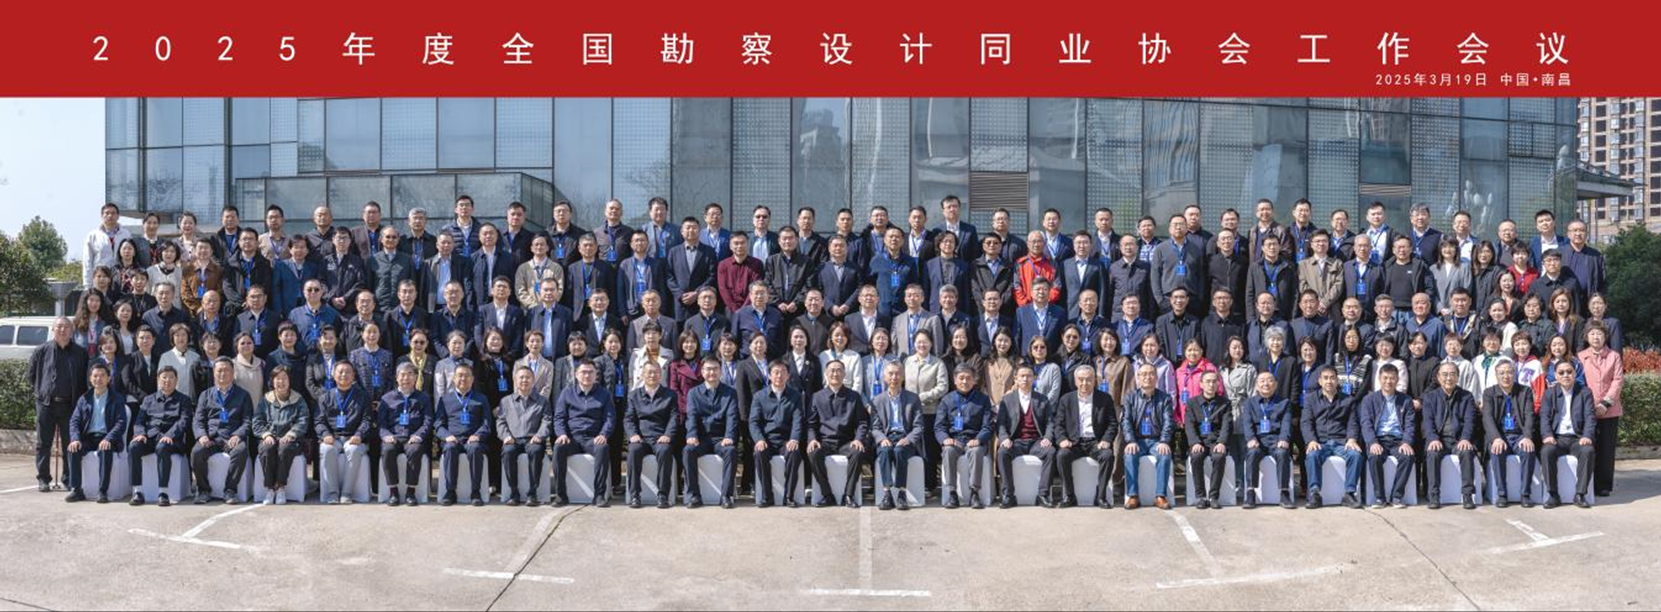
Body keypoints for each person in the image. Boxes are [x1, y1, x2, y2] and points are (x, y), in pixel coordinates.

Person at [29, 317, 89, 491]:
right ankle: (43, 479)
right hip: (46, 404)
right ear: (53, 329)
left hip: (70, 405)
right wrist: (41, 393)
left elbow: (84, 379)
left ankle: (68, 478)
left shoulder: (80, 353)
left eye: (66, 327)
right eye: (59, 327)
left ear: (72, 330)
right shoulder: (41, 350)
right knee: (43, 444)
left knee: (70, 443)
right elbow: (31, 376)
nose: (62, 330)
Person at [806, 360, 869, 508]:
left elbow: (862, 423)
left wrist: (858, 439)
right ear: (826, 374)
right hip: (825, 442)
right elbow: (811, 424)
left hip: (846, 442)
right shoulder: (817, 397)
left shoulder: (854, 396)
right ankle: (827, 494)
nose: (835, 373)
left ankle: (848, 495)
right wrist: (812, 439)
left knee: (858, 452)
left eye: (839, 370)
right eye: (832, 370)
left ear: (844, 374)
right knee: (813, 453)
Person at [1054, 365, 1118, 508]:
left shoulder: (1105, 398)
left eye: (1089, 379)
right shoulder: (1066, 399)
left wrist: (1106, 439)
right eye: (1081, 379)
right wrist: (1062, 439)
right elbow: (1058, 424)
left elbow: (1112, 423)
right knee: (1062, 455)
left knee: (1107, 456)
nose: (1084, 383)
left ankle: (1100, 497)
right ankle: (1069, 496)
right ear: (1075, 381)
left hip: (1096, 442)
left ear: (1095, 380)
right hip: (1074, 443)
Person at [192, 358, 253, 505]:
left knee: (241, 450)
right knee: (196, 452)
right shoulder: (205, 395)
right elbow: (198, 420)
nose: (223, 373)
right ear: (214, 373)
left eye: (226, 370)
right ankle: (204, 490)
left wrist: (238, 435)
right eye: (219, 370)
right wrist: (202, 435)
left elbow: (248, 421)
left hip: (232, 436)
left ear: (233, 373)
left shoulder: (243, 395)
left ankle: (230, 490)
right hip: (211, 438)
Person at [127, 366, 191, 506]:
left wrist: (170, 435)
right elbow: (139, 421)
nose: (167, 381)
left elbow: (183, 422)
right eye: (164, 377)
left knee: (162, 447)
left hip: (172, 441)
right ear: (158, 380)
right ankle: (137, 491)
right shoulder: (148, 400)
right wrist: (140, 434)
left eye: (171, 377)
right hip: (150, 438)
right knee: (134, 447)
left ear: (176, 380)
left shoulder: (184, 400)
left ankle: (163, 493)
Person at [995, 364, 1057, 509]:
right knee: (1002, 452)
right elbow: (1001, 424)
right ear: (1015, 378)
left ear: (1034, 378)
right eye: (1022, 376)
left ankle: (1043, 494)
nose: (1025, 379)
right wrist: (1004, 438)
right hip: (1015, 442)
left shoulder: (1043, 399)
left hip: (1036, 442)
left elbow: (1050, 422)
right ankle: (1009, 495)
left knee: (1051, 452)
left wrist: (1047, 437)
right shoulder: (1007, 400)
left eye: (1029, 376)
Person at [1301, 366, 1363, 509]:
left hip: (1341, 442)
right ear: (1320, 381)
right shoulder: (1311, 399)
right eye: (1326, 378)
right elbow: (1306, 422)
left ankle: (1349, 494)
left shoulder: (1348, 400)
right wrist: (1311, 440)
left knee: (1356, 455)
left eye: (1332, 378)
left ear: (1337, 380)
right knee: (1312, 455)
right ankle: (1315, 494)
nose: (1329, 381)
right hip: (1320, 442)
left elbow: (1353, 422)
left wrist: (1352, 439)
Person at [64, 363, 128, 503]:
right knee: (73, 449)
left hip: (107, 438)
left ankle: (102, 491)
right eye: (95, 376)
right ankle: (76, 489)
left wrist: (108, 438)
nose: (98, 379)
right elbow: (74, 421)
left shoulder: (117, 399)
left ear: (109, 378)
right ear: (90, 379)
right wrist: (75, 439)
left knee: (105, 449)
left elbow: (121, 423)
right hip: (88, 438)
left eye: (102, 375)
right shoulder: (84, 398)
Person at [1540, 360, 1597, 509]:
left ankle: (1580, 494)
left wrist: (1587, 435)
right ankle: (1553, 495)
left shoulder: (1585, 392)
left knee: (1588, 451)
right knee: (1546, 451)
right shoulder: (1549, 393)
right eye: (1561, 372)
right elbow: (1544, 417)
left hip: (1577, 438)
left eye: (1569, 372)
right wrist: (1547, 435)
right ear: (1555, 375)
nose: (1565, 375)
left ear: (1575, 373)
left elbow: (1590, 417)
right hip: (1557, 438)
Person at [684, 357, 740, 509]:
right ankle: (694, 495)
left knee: (731, 451)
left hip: (721, 439)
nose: (712, 372)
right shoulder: (694, 393)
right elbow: (691, 417)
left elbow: (732, 417)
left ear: (720, 371)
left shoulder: (730, 393)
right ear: (702, 372)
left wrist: (729, 436)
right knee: (688, 451)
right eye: (708, 369)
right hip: (701, 439)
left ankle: (726, 495)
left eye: (715, 369)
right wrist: (692, 435)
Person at [748, 361, 805, 509]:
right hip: (767, 440)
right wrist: (759, 439)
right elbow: (753, 422)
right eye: (776, 372)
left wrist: (794, 438)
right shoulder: (759, 396)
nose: (779, 376)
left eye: (783, 372)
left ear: (788, 375)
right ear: (769, 375)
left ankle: (789, 496)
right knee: (759, 453)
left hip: (786, 440)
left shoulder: (796, 396)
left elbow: (798, 420)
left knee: (794, 453)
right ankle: (767, 496)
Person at [937, 364, 994, 509]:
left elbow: (988, 426)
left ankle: (974, 493)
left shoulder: (983, 399)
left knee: (976, 451)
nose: (965, 381)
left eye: (968, 378)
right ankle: (952, 493)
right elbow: (939, 426)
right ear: (954, 380)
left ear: (974, 380)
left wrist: (979, 439)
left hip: (975, 440)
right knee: (948, 450)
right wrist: (945, 439)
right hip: (955, 441)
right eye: (961, 378)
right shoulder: (946, 400)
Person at [1359, 364, 1416, 508]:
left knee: (1408, 456)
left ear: (1397, 380)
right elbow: (1366, 423)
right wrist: (1372, 442)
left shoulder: (1406, 400)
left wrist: (1406, 442)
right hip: (1379, 439)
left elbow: (1410, 424)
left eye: (1392, 378)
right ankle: (1380, 497)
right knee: (1374, 456)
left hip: (1398, 440)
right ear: (1379, 379)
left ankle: (1397, 496)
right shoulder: (1369, 399)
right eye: (1385, 378)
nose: (1388, 381)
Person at [626, 360, 681, 509]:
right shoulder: (634, 395)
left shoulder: (670, 395)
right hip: (641, 438)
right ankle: (635, 495)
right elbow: (629, 419)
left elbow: (674, 418)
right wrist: (633, 435)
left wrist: (668, 435)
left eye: (656, 372)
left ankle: (663, 495)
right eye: (649, 372)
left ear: (661, 375)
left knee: (665, 450)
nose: (652, 375)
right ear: (642, 375)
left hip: (660, 437)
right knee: (633, 450)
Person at [1484, 360, 1538, 508]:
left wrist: (1527, 436)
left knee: (1528, 451)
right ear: (1496, 375)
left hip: (1519, 435)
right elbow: (1487, 417)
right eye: (1502, 373)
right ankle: (1502, 494)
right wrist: (1496, 438)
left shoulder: (1525, 391)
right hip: (1500, 435)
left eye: (1509, 372)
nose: (1506, 376)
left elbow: (1529, 415)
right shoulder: (1489, 393)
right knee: (1497, 451)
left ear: (1515, 374)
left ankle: (1525, 494)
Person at [435, 364, 492, 507]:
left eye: (467, 375)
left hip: (473, 439)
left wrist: (478, 435)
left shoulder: (481, 399)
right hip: (453, 439)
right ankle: (450, 491)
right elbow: (438, 424)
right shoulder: (445, 399)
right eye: (460, 375)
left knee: (475, 448)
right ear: (454, 379)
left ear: (472, 379)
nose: (463, 378)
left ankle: (475, 492)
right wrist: (447, 436)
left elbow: (487, 423)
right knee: (449, 448)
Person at [1578, 321, 1623, 498]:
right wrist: (1588, 405)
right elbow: (1579, 382)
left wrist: (1605, 403)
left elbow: (1617, 381)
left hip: (1609, 410)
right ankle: (1587, 483)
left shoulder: (1614, 356)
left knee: (1606, 449)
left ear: (1605, 337)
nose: (1596, 337)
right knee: (1588, 447)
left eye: (1599, 334)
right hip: (1587, 410)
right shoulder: (1580, 357)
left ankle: (1604, 485)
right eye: (1592, 334)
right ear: (1586, 337)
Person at [252, 366, 310, 505]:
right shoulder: (266, 399)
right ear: (272, 381)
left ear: (290, 381)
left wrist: (291, 434)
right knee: (266, 449)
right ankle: (270, 488)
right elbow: (257, 420)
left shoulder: (298, 399)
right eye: (278, 378)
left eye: (285, 378)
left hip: (291, 440)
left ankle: (280, 487)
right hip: (270, 437)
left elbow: (303, 420)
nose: (281, 382)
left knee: (284, 448)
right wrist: (266, 435)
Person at [1122, 363, 1175, 510]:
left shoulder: (1165, 398)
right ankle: (1133, 496)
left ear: (1156, 377)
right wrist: (1130, 440)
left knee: (1164, 455)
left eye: (1151, 374)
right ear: (1138, 377)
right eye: (1143, 374)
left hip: (1156, 440)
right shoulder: (1130, 397)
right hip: (1137, 440)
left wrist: (1164, 441)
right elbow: (1125, 421)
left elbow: (1169, 422)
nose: (1147, 377)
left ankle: (1160, 496)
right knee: (1129, 455)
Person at [870, 361, 923, 511]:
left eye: (898, 373)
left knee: (900, 451)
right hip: (887, 437)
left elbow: (919, 426)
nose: (894, 377)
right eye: (891, 374)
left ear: (903, 376)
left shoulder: (913, 398)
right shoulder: (877, 400)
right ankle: (887, 494)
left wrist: (908, 439)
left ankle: (901, 493)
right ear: (885, 377)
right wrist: (882, 439)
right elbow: (875, 427)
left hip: (905, 437)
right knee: (884, 451)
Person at [378, 364, 432, 507]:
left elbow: (428, 421)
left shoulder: (424, 398)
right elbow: (381, 423)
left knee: (416, 450)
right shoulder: (387, 398)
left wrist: (419, 435)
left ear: (415, 377)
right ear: (397, 378)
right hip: (393, 437)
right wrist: (386, 435)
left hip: (413, 437)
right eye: (402, 374)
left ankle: (411, 492)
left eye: (410, 374)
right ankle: (393, 492)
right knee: (387, 449)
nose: (406, 378)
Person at [1238, 371, 1293, 509]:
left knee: (1282, 453)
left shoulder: (1284, 402)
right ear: (1257, 385)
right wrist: (1251, 438)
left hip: (1276, 439)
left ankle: (1284, 493)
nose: (1266, 384)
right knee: (1252, 453)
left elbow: (1286, 423)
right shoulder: (1249, 403)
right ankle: (1250, 493)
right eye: (1262, 381)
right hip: (1258, 439)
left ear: (1276, 384)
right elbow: (1247, 424)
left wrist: (1283, 438)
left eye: (1269, 380)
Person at [1184, 370, 1232, 509]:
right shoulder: (1192, 403)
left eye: (1214, 381)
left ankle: (1213, 496)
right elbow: (1189, 425)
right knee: (1196, 457)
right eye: (1208, 381)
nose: (1211, 384)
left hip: (1216, 440)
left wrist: (1221, 442)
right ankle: (1200, 496)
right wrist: (1195, 442)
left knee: (1219, 457)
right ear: (1201, 384)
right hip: (1200, 441)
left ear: (1218, 384)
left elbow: (1227, 425)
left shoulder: (1225, 403)